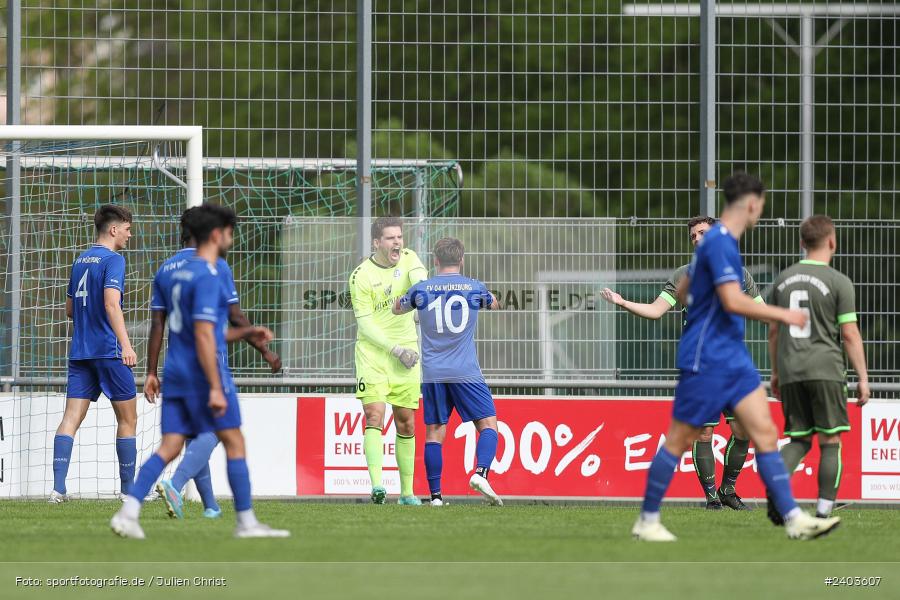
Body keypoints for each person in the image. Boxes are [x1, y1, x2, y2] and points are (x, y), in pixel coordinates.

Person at [631, 172, 841, 542]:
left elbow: (685, 288)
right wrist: (784, 314)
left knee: (763, 432)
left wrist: (696, 300)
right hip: (706, 358)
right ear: (751, 204)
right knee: (680, 439)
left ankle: (793, 517)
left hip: (734, 357)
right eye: (760, 205)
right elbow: (731, 300)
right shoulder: (719, 244)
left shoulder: (720, 246)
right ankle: (647, 519)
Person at [110, 204, 288, 539]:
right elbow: (208, 334)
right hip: (206, 370)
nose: (231, 239)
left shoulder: (168, 270)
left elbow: (163, 324)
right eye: (229, 232)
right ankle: (246, 522)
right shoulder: (211, 271)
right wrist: (219, 385)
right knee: (233, 441)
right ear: (216, 234)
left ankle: (128, 512)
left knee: (171, 445)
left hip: (175, 369)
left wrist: (151, 371)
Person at [601, 216, 763, 510]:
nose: (698, 239)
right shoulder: (684, 276)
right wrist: (622, 302)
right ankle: (712, 498)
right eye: (693, 236)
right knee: (704, 432)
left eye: (703, 233)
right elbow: (655, 310)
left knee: (744, 429)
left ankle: (728, 489)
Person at [767, 214, 870, 523]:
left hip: (791, 370)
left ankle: (777, 493)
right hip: (826, 369)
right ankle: (824, 512)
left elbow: (773, 331)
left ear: (802, 243)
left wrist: (775, 372)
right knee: (830, 440)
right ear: (832, 241)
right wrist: (863, 378)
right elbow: (849, 333)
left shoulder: (782, 279)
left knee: (798, 439)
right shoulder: (839, 281)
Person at [394, 238, 502, 506]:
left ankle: (436, 497)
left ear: (435, 260)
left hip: (433, 373)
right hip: (466, 371)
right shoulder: (474, 287)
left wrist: (404, 297)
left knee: (434, 432)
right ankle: (480, 473)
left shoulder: (422, 289)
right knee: (488, 425)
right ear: (461, 260)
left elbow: (398, 308)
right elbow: (494, 304)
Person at [50, 205, 138, 502]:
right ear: (113, 229)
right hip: (109, 352)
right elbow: (112, 304)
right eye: (127, 229)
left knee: (70, 418)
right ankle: (128, 492)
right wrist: (126, 345)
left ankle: (57, 489)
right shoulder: (114, 260)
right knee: (128, 420)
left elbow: (70, 310)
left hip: (80, 352)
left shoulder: (79, 261)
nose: (129, 234)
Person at [348, 216, 428, 505]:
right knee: (374, 416)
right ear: (377, 242)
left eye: (399, 237)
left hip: (407, 354)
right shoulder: (361, 275)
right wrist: (396, 350)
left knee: (406, 423)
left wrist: (417, 298)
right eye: (391, 238)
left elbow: (421, 282)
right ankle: (378, 486)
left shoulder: (410, 259)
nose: (397, 242)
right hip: (374, 354)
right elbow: (366, 326)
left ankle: (407, 493)